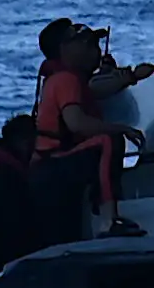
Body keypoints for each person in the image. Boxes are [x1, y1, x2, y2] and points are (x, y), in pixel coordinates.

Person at [27, 20, 126, 235]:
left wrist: (127, 76)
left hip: (50, 167)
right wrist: (121, 129)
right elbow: (76, 123)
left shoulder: (70, 80)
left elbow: (97, 90)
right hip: (52, 165)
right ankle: (109, 221)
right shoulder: (66, 80)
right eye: (86, 43)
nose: (95, 50)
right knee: (107, 142)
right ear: (64, 49)